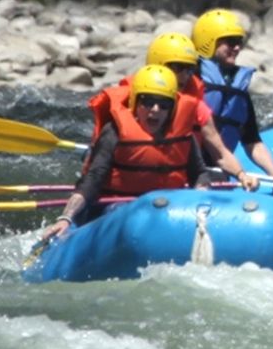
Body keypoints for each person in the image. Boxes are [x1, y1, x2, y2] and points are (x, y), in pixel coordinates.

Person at [40, 64, 205, 241]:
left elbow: (200, 174)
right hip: (114, 210)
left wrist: (199, 202)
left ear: (172, 109)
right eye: (148, 102)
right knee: (123, 213)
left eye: (164, 104)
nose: (156, 110)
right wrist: (66, 217)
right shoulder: (114, 132)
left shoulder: (183, 136)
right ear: (136, 103)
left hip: (165, 210)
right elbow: (93, 178)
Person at [145, 31, 260, 191]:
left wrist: (241, 175)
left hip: (178, 184)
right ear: (157, 65)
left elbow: (219, 152)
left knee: (214, 180)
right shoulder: (135, 103)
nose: (185, 75)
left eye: (189, 68)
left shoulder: (196, 107)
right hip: (141, 186)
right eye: (178, 67)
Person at [191, 8, 273, 192]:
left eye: (239, 42)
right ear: (208, 42)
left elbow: (252, 141)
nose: (237, 48)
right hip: (187, 173)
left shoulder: (238, 89)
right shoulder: (189, 80)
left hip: (220, 172)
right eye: (230, 42)